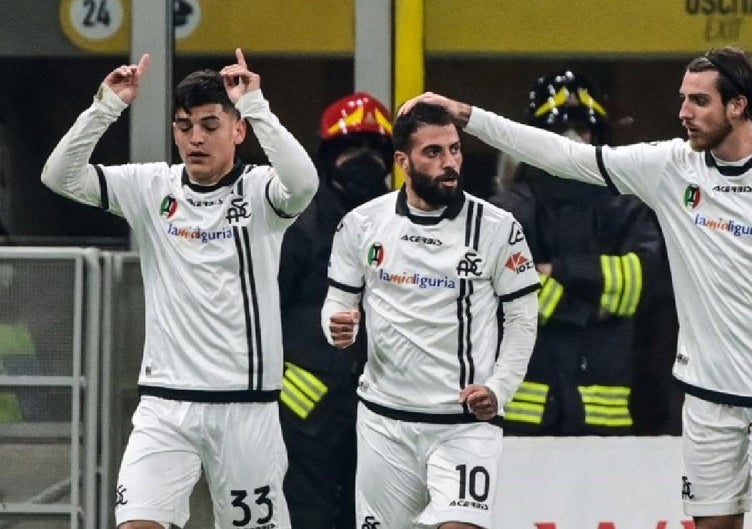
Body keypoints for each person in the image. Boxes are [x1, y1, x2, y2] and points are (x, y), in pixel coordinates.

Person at [400, 46, 752, 529]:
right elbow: (566, 156)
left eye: (699, 101)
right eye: (683, 99)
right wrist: (468, 116)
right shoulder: (672, 166)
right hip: (707, 398)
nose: (684, 112)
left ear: (738, 105)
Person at [42, 49, 318, 529]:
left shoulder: (260, 191)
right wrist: (106, 106)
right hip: (164, 404)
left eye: (210, 125)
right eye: (184, 126)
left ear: (237, 131)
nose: (196, 138)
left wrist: (255, 105)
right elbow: (58, 175)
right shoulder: (152, 186)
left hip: (244, 407)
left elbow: (304, 183)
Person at [321, 101, 540, 529]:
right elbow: (337, 302)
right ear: (403, 161)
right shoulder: (361, 224)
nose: (449, 163)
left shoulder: (497, 227)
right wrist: (337, 327)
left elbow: (522, 319)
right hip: (384, 421)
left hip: (465, 423)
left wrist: (500, 388)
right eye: (433, 152)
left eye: (454, 149)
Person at [489, 70, 668, 435]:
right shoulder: (506, 211)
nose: (570, 141)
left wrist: (562, 271)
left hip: (605, 416)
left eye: (581, 130)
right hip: (525, 417)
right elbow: (510, 292)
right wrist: (594, 305)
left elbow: (641, 283)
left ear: (598, 137)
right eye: (558, 131)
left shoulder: (628, 208)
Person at [278, 92, 393, 529]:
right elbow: (260, 316)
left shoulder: (401, 225)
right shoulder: (299, 226)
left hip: (381, 411)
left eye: (374, 150)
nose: (363, 160)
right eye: (350, 149)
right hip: (304, 415)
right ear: (327, 158)